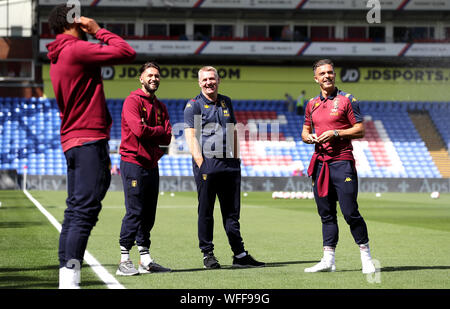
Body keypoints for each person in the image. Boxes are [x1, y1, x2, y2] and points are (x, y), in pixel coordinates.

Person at [46, 4, 136, 288]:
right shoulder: (74, 49)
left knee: (76, 210)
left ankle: (68, 276)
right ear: (74, 21)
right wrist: (99, 31)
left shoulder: (59, 53)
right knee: (83, 210)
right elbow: (126, 52)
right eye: (79, 17)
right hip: (88, 138)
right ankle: (70, 280)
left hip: (74, 139)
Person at [184, 66, 264, 269]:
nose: (209, 82)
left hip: (230, 166)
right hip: (208, 165)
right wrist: (202, 165)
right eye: (205, 80)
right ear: (199, 82)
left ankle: (239, 254)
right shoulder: (193, 106)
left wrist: (237, 160)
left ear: (218, 80)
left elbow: (233, 130)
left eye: (212, 79)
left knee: (232, 213)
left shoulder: (226, 101)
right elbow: (191, 137)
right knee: (206, 211)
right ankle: (208, 254)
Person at [301, 59, 375, 274]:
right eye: (322, 73)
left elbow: (360, 130)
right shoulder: (311, 104)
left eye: (330, 72)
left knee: (350, 212)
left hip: (342, 162)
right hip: (321, 164)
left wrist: (337, 133)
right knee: (326, 214)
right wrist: (308, 138)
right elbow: (305, 131)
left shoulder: (347, 100)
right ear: (316, 78)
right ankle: (328, 260)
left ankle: (366, 257)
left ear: (334, 75)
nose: (327, 76)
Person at [116, 61, 172, 276]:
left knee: (149, 213)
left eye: (157, 75)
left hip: (151, 163)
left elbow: (167, 137)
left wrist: (155, 131)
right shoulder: (132, 101)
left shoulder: (161, 106)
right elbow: (139, 130)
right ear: (141, 78)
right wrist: (158, 130)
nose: (153, 79)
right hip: (133, 162)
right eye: (149, 75)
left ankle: (145, 259)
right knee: (135, 211)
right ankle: (124, 260)